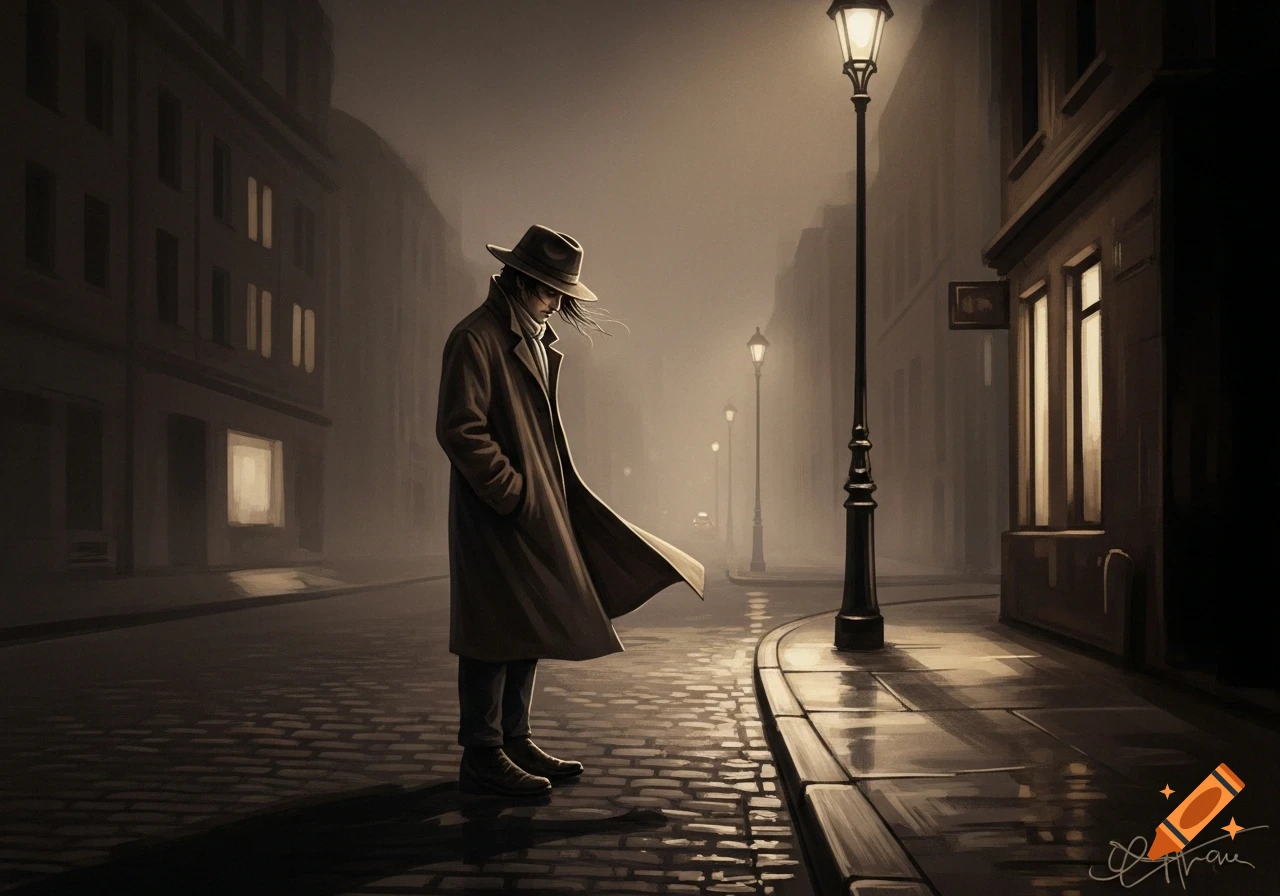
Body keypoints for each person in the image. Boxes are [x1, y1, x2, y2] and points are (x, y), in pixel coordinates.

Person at [436, 224, 705, 797]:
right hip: (496, 517)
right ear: (520, 280)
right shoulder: (477, 338)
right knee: (492, 631)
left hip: (533, 512)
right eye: (548, 289)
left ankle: (514, 737)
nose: (556, 302)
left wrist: (540, 497)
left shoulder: (531, 337)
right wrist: (512, 491)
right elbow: (462, 430)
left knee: (528, 622)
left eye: (561, 292)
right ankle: (482, 753)